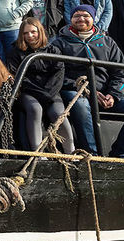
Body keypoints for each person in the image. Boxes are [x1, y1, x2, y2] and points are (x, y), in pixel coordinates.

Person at [51, 6, 124, 157]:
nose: (81, 19)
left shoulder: (107, 42)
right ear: (71, 19)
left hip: (106, 96)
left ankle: (120, 154)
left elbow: (122, 73)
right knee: (80, 104)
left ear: (93, 19)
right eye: (76, 16)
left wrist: (113, 94)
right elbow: (56, 75)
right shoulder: (58, 43)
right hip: (77, 93)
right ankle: (92, 153)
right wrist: (84, 89)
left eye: (85, 15)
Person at [7, 17, 74, 153]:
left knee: (58, 113)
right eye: (26, 33)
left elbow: (58, 74)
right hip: (28, 92)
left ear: (40, 31)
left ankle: (70, 151)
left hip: (51, 91)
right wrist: (40, 93)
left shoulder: (53, 50)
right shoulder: (15, 52)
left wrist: (48, 93)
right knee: (35, 109)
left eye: (33, 32)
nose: (30, 36)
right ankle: (38, 152)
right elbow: (18, 77)